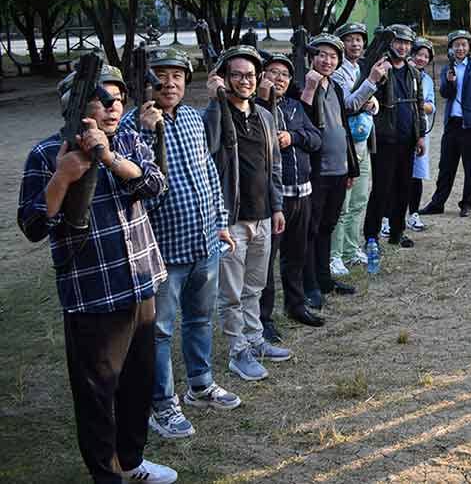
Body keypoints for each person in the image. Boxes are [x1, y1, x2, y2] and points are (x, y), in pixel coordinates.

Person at [18, 63, 177, 483]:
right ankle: (106, 475)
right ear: (74, 106)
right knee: (97, 394)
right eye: (102, 100)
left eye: (118, 100)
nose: (114, 108)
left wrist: (109, 159)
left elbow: (155, 185)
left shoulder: (127, 140)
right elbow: (33, 225)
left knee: (138, 383)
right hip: (92, 293)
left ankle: (132, 461)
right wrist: (62, 177)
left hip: (141, 283)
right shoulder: (45, 154)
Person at [120, 47, 240, 440]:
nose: (168, 83)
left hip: (204, 242)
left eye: (177, 75)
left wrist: (220, 223)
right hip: (162, 251)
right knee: (159, 331)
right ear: (145, 80)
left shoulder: (191, 118)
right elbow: (132, 182)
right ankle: (162, 403)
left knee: (200, 319)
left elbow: (209, 173)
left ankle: (200, 384)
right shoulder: (129, 125)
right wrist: (142, 130)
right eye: (160, 75)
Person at [204, 46, 290, 381]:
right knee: (231, 293)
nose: (244, 81)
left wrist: (277, 206)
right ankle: (237, 351)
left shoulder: (265, 117)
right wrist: (215, 102)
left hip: (263, 216)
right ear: (224, 78)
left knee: (255, 285)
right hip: (232, 221)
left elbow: (274, 166)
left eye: (250, 75)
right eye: (237, 75)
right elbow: (210, 148)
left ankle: (255, 339)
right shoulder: (214, 115)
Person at [298, 33, 386, 305]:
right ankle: (309, 285)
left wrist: (351, 168)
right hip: (316, 172)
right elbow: (301, 121)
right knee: (311, 229)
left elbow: (347, 115)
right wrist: (309, 89)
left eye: (333, 56)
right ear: (311, 58)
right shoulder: (302, 85)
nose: (327, 60)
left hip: (339, 169)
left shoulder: (335, 87)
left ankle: (324, 279)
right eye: (322, 55)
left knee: (327, 226)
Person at [256, 52, 325, 337]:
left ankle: (295, 305)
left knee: (296, 255)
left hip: (302, 193)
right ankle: (263, 318)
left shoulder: (296, 107)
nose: (279, 78)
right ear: (262, 76)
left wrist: (293, 137)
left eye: (284, 74)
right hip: (274, 198)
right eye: (273, 72)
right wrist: (263, 101)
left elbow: (316, 139)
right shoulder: (255, 109)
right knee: (265, 262)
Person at [363, 25, 427, 254]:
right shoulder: (380, 68)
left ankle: (397, 232)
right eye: (399, 42)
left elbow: (419, 105)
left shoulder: (413, 72)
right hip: (385, 139)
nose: (403, 47)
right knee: (381, 188)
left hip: (408, 139)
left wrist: (420, 136)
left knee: (403, 187)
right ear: (390, 43)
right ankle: (371, 235)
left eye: (407, 43)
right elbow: (367, 95)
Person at [420, 29, 471, 218]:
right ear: (451, 48)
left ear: (468, 47)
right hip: (452, 123)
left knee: (469, 167)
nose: (460, 48)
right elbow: (445, 94)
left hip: (470, 125)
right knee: (446, 166)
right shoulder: (448, 69)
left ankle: (466, 204)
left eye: (463, 44)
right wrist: (450, 82)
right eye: (456, 45)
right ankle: (437, 203)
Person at [329, 22, 379, 272]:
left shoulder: (360, 68)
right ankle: (334, 255)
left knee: (359, 199)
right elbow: (348, 104)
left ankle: (351, 249)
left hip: (363, 143)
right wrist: (371, 82)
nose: (355, 44)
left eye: (359, 39)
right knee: (343, 203)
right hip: (346, 145)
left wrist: (373, 104)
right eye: (350, 39)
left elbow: (369, 99)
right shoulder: (337, 73)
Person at [407, 37, 437, 231]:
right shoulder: (400, 73)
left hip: (420, 130)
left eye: (426, 56)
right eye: (419, 54)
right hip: (400, 130)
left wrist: (419, 104)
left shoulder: (427, 80)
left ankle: (413, 214)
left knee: (416, 175)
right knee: (396, 175)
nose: (422, 59)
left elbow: (431, 106)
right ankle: (387, 218)